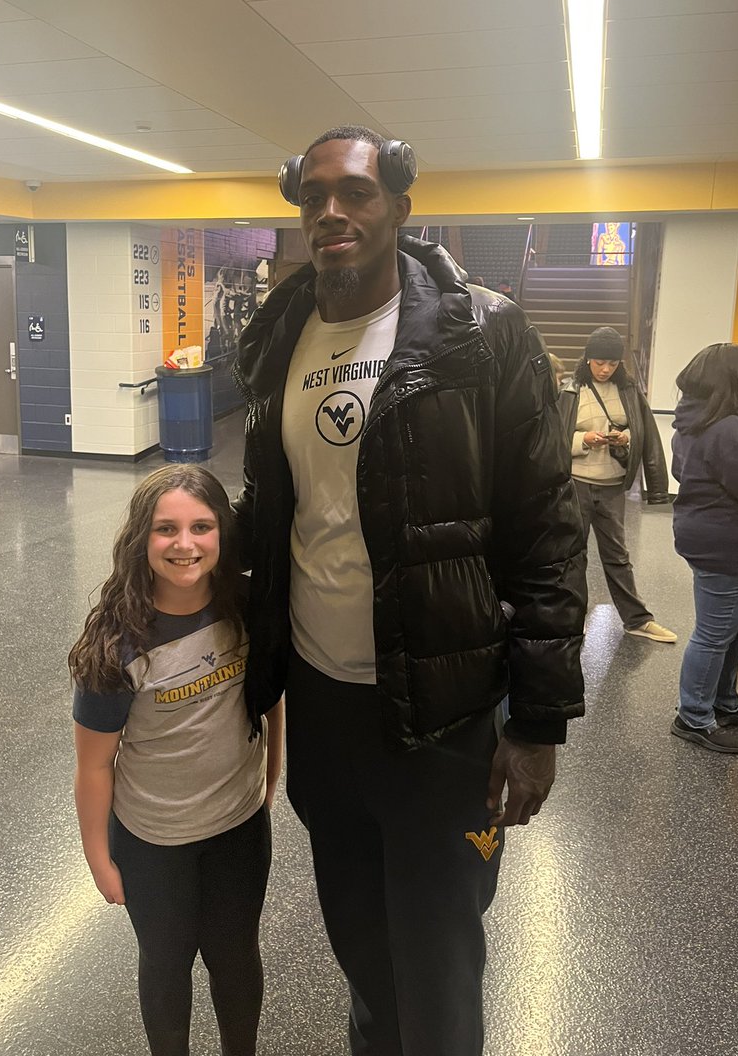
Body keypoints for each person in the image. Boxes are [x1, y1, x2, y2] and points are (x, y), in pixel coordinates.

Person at [233, 125, 586, 1056]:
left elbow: (548, 525)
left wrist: (539, 721)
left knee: (436, 965)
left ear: (399, 204)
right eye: (313, 198)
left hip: (444, 712)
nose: (332, 213)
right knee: (360, 946)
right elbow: (281, 512)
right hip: (322, 708)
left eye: (354, 192)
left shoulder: (484, 330)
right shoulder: (283, 337)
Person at [70, 465, 283, 1056]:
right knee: (165, 963)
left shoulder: (245, 605)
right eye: (167, 529)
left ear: (222, 534)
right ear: (142, 539)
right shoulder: (118, 643)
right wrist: (98, 859)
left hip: (238, 828)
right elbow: (92, 766)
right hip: (152, 840)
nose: (185, 544)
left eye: (202, 527)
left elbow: (271, 696)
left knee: (236, 953)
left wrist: (270, 776)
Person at [558, 327, 676, 642]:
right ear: (587, 359)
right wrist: (584, 438)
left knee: (618, 555)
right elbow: (552, 439)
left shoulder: (629, 392)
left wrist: (625, 438)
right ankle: (570, 619)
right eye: (599, 362)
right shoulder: (570, 391)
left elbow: (645, 435)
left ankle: (637, 619)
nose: (605, 369)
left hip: (612, 485)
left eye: (612, 363)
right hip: (576, 485)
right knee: (572, 554)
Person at [670, 343, 738, 753]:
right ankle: (694, 716)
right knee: (716, 634)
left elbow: (683, 473)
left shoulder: (693, 423)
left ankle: (724, 702)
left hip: (708, 537)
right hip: (725, 545)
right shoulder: (727, 428)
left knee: (732, 630)